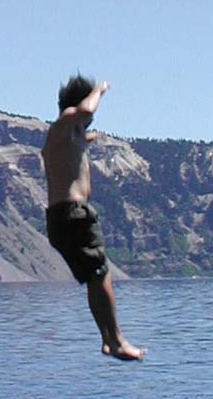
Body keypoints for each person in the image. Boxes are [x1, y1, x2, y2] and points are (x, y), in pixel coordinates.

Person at [42, 74, 145, 361]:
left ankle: (109, 339)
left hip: (64, 218)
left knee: (96, 275)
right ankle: (115, 340)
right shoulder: (65, 122)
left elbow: (74, 142)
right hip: (73, 215)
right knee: (100, 274)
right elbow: (85, 111)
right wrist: (100, 90)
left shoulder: (67, 135)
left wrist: (89, 138)